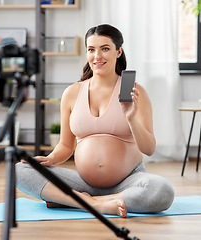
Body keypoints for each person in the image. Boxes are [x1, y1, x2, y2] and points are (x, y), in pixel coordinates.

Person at [16, 24, 174, 217]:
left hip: (128, 182)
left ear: (119, 51)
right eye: (91, 49)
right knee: (19, 170)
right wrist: (49, 159)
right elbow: (66, 146)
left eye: (105, 48)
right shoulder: (72, 93)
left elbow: (149, 148)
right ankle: (92, 203)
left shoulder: (135, 92)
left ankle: (76, 201)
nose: (97, 56)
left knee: (162, 190)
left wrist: (131, 118)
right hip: (82, 183)